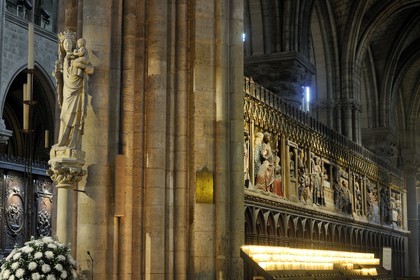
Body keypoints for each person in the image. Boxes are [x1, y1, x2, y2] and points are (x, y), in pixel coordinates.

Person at [53, 32, 94, 150]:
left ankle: (72, 143)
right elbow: (61, 79)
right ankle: (62, 142)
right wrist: (57, 76)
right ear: (62, 46)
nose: (67, 45)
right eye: (65, 43)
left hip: (76, 91)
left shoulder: (78, 57)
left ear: (73, 44)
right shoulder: (63, 61)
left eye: (69, 43)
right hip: (67, 92)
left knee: (75, 116)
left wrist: (84, 68)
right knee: (63, 116)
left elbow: (90, 69)